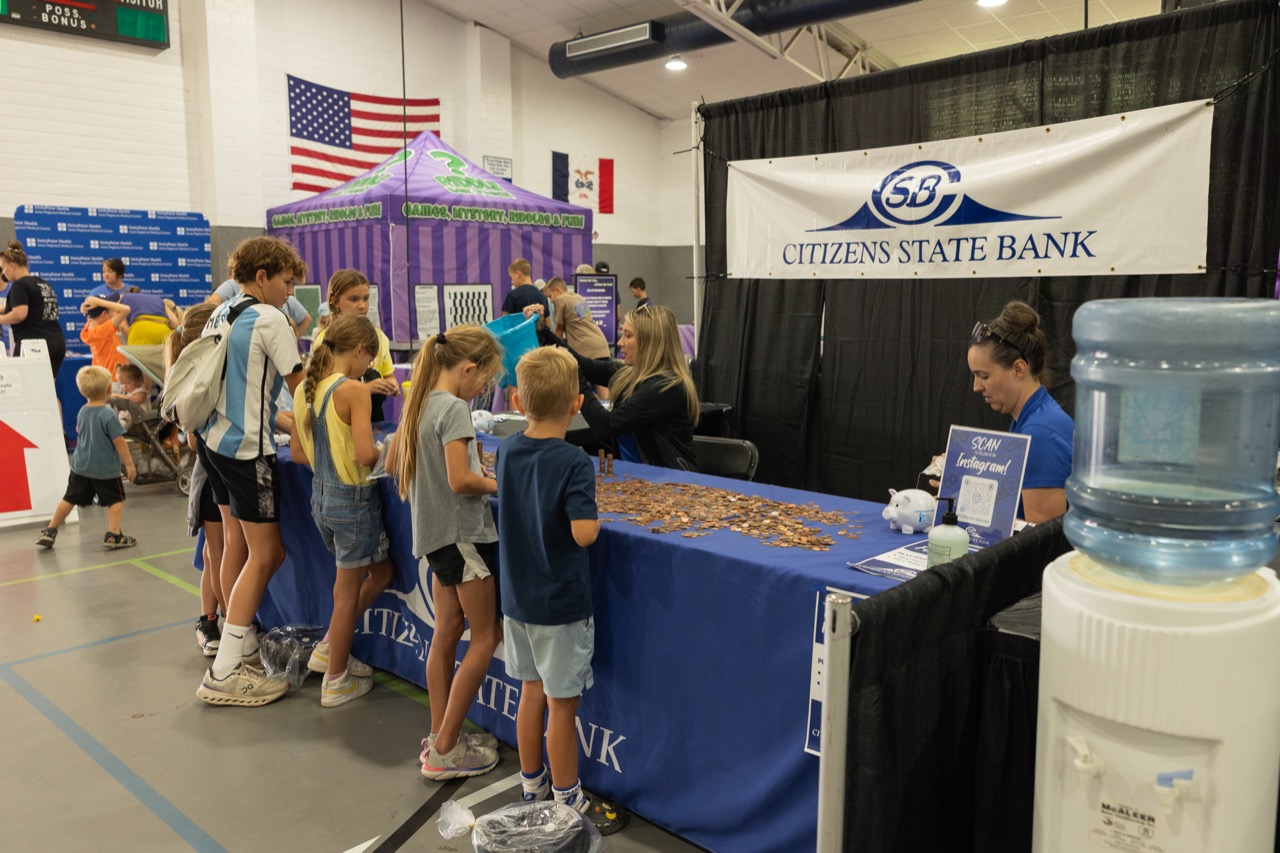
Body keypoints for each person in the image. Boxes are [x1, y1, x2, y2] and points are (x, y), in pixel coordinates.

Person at [494, 346, 628, 834]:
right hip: (559, 605)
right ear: (577, 404)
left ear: (517, 400)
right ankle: (569, 799)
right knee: (562, 705)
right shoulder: (574, 461)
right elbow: (584, 534)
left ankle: (532, 786)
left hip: (517, 601)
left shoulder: (506, 449)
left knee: (529, 693)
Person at [194, 236, 305, 708]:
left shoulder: (221, 312)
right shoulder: (270, 317)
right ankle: (225, 671)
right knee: (267, 553)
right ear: (262, 277)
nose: (290, 293)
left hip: (213, 443)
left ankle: (240, 646)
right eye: (287, 282)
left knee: (236, 547)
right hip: (245, 449)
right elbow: (302, 388)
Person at [387, 324, 503, 779]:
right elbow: (460, 480)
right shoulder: (453, 408)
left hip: (436, 537)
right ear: (468, 369)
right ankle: (446, 749)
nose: (481, 391)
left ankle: (440, 735)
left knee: (447, 631)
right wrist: (501, 483)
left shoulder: (420, 403)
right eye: (483, 382)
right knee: (486, 636)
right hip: (462, 535)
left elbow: (403, 464)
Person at [289, 314, 395, 707]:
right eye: (369, 360)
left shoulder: (306, 388)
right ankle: (335, 678)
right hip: (352, 501)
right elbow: (366, 455)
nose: (368, 368)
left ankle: (331, 644)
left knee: (379, 573)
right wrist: (391, 451)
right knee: (347, 592)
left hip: (321, 497)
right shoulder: (354, 390)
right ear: (361, 350)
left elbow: (299, 453)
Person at [967, 299, 1074, 522]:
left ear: (1018, 369)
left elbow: (1042, 537)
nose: (976, 387)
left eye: (983, 376)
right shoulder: (1033, 419)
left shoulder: (1039, 434)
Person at [166, 302, 226, 655]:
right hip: (209, 480)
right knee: (217, 554)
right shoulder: (197, 382)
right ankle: (222, 622)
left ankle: (211, 619)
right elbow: (191, 439)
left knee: (213, 553)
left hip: (210, 477)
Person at [572, 303, 699, 470]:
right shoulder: (631, 374)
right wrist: (543, 333)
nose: (620, 343)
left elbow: (606, 426)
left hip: (668, 479)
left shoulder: (664, 387)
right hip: (638, 474)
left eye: (628, 336)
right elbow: (584, 365)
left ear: (649, 343)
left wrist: (577, 381)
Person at [36, 366, 138, 550]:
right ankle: (114, 535)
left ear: (82, 391)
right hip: (105, 469)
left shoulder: (82, 411)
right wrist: (129, 463)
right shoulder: (108, 414)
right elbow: (119, 441)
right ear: (109, 389)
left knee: (69, 498)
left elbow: (80, 431)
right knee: (115, 500)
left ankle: (50, 530)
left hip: (81, 467)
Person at [313, 270, 398, 422]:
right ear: (334, 301)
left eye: (366, 299)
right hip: (340, 420)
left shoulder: (379, 337)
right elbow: (323, 391)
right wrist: (367, 389)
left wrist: (390, 385)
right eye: (353, 299)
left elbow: (388, 375)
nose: (362, 306)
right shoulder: (325, 340)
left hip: (374, 420)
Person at [0, 240, 66, 378]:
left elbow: (19, 314)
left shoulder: (19, 284)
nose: (3, 273)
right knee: (47, 386)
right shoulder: (42, 283)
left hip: (34, 344)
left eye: (3, 268)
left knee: (27, 388)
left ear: (12, 265)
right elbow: (22, 306)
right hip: (57, 343)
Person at [82, 287, 179, 346]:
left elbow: (123, 327)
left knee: (138, 371)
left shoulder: (120, 303)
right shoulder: (157, 299)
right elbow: (176, 323)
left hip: (140, 331)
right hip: (165, 331)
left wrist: (131, 344)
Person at [80, 298, 125, 372]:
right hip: (112, 375)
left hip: (105, 374)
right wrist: (98, 302)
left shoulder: (91, 327)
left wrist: (85, 307)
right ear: (104, 314)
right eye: (112, 311)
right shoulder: (102, 330)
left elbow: (90, 313)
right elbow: (125, 310)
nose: (115, 313)